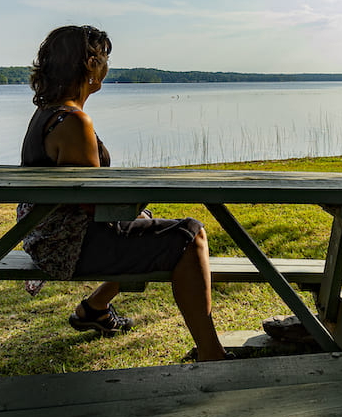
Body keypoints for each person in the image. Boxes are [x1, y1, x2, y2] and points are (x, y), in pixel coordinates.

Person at [15, 25, 229, 361]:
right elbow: (95, 204)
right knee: (190, 235)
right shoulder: (73, 121)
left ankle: (95, 308)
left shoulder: (47, 114)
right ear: (89, 64)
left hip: (48, 238)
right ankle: (211, 353)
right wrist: (137, 195)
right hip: (69, 247)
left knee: (148, 225)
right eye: (105, 58)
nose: (107, 66)